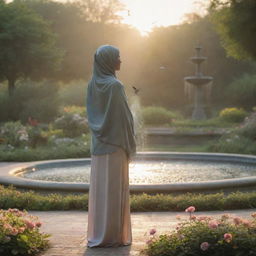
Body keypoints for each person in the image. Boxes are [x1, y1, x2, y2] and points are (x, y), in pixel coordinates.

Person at [86, 45, 136, 247]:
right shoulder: (115, 86)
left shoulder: (92, 84)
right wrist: (130, 142)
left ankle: (100, 232)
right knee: (114, 190)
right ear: (108, 61)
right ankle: (114, 235)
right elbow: (124, 118)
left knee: (101, 191)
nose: (120, 60)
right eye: (118, 57)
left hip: (99, 146)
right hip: (115, 146)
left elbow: (94, 116)